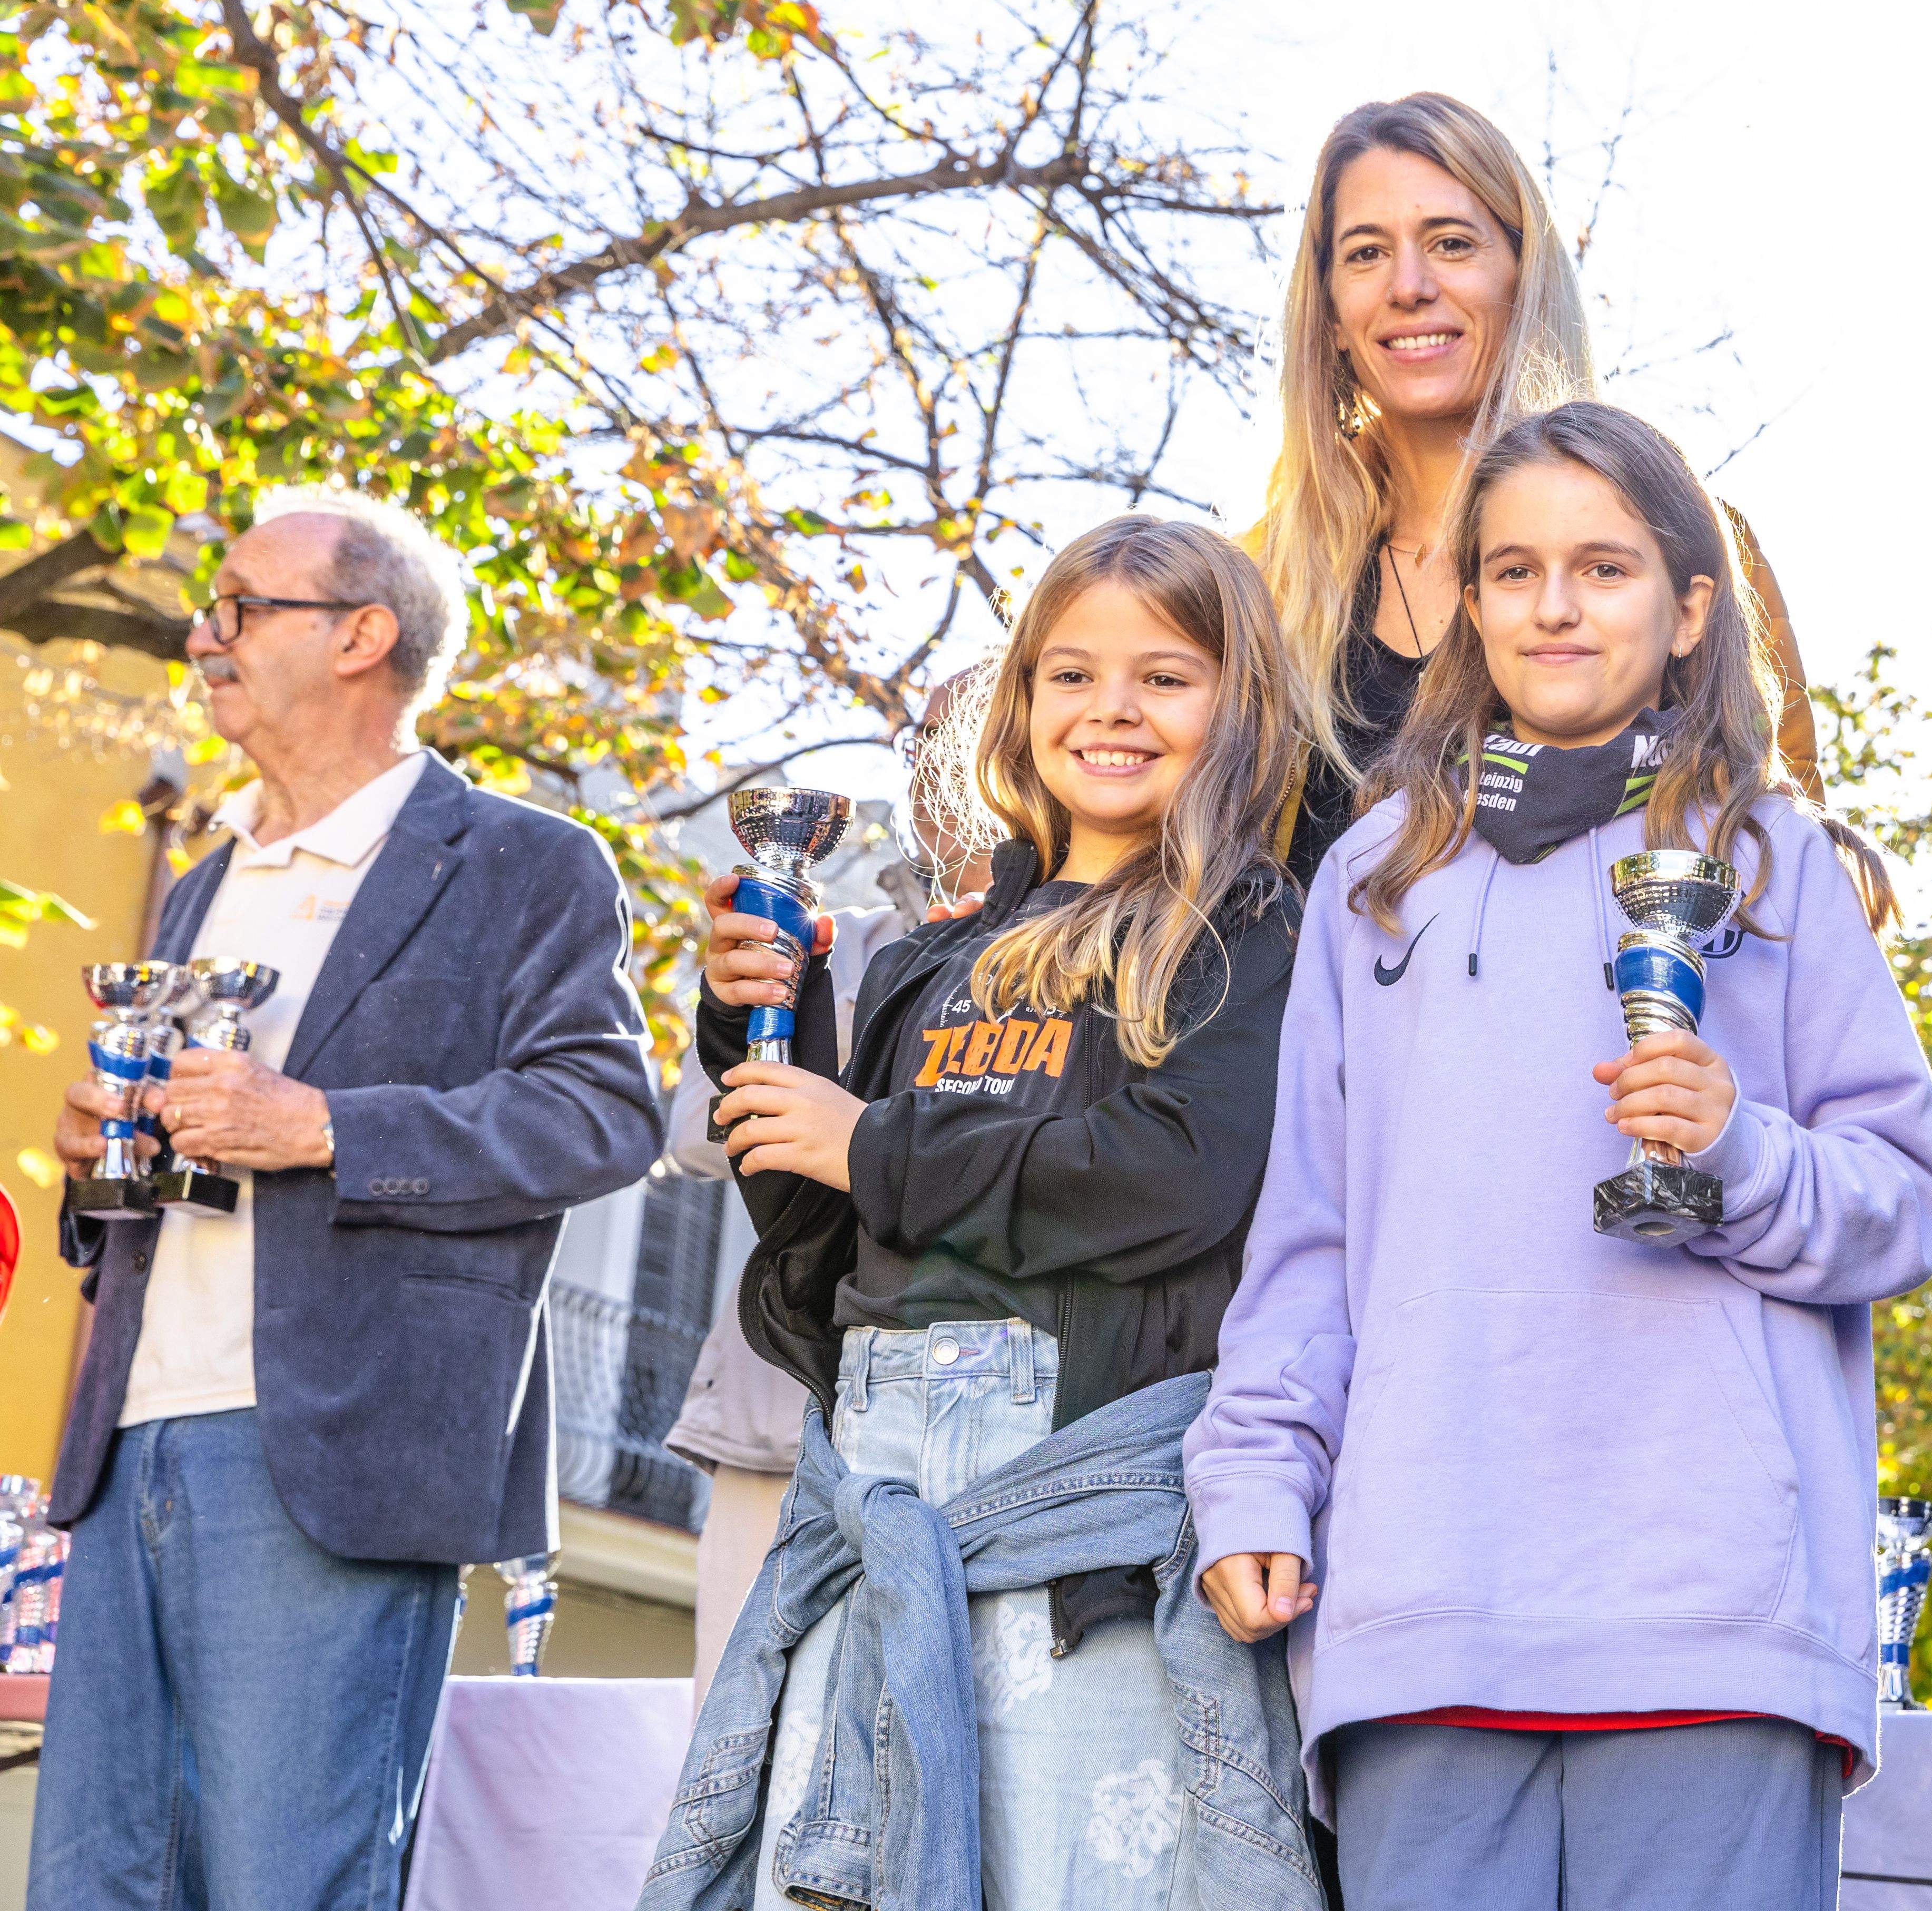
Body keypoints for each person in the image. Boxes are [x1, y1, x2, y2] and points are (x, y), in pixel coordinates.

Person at [1185, 401, 1932, 1911]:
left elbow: (1911, 1202)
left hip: (1706, 1608)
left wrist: (1736, 1147)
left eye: (1604, 569)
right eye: (1514, 569)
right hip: (1423, 1601)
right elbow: (1311, 1241)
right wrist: (1261, 1485)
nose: (1555, 604)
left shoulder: (1776, 860)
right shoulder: (1372, 874)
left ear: (1687, 611)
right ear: (1468, 609)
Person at [640, 516, 1323, 1911]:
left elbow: (1174, 1181)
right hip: (879, 1515)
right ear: (1018, 707)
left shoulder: (1249, 936)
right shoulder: (927, 959)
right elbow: (818, 1235)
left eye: (1165, 677)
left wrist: (874, 1142)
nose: (1113, 711)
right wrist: (754, 1031)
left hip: (1081, 1549)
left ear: (1242, 706)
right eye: (1071, 674)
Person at [31, 488, 665, 1909]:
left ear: (363, 635)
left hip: (340, 1458)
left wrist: (319, 1125)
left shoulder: (523, 863)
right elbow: (185, 1158)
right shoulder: (202, 885)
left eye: (245, 606)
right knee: (96, 1890)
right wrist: (106, 1161)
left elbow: (605, 1114)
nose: (206, 634)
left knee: (286, 1890)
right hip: (131, 1446)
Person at [1249, 92, 1822, 879]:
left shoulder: (1679, 537)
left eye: (1451, 243)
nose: (1408, 286)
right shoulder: (1258, 583)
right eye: (1365, 253)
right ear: (1331, 313)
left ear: (1525, 274)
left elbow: (1790, 865)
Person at [663, 660, 999, 1684]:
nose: (934, 766)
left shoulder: (1105, 950)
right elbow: (694, 1131)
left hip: (985, 1439)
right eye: (922, 739)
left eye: (967, 734)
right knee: (740, 1783)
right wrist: (756, 1009)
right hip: (778, 1435)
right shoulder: (824, 940)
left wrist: (856, 1119)